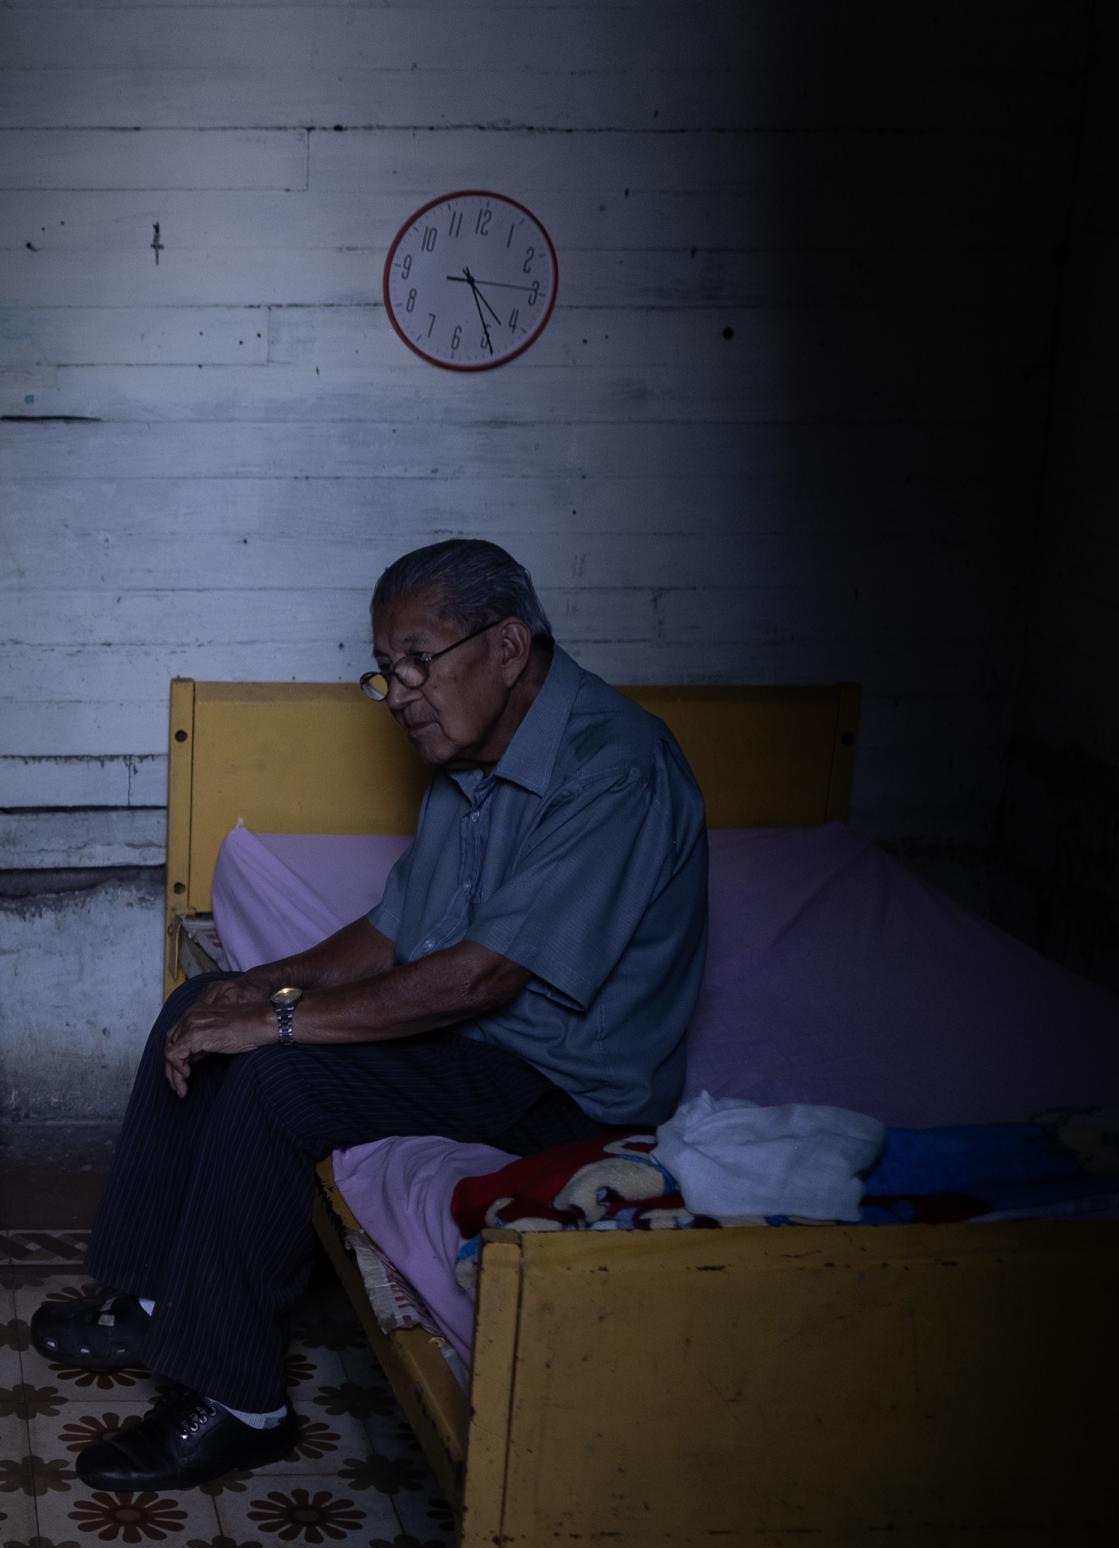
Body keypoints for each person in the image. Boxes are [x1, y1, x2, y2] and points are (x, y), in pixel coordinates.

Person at [43, 539, 711, 1490]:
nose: (397, 693)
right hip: (471, 1048)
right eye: (385, 670)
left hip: (561, 1088)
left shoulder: (616, 770)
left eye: (416, 662)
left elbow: (480, 981)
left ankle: (239, 1402)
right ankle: (152, 1298)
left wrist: (275, 1027)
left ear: (509, 645)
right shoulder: (470, 762)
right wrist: (260, 986)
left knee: (276, 1080)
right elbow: (397, 934)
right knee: (202, 1001)